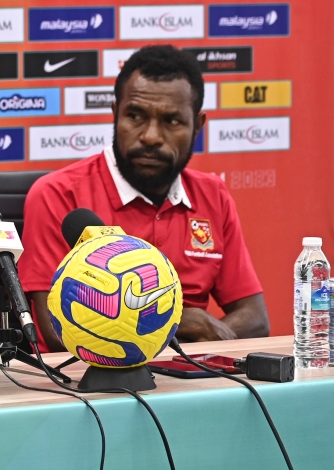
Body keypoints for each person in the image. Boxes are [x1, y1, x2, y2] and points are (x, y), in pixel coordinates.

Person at [19, 45, 269, 352]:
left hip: (188, 375)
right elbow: (55, 330)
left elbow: (255, 318)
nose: (151, 136)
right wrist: (174, 323)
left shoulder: (212, 195)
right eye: (135, 116)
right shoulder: (58, 195)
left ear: (197, 127)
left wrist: (189, 343)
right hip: (86, 379)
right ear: (115, 114)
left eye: (172, 121)